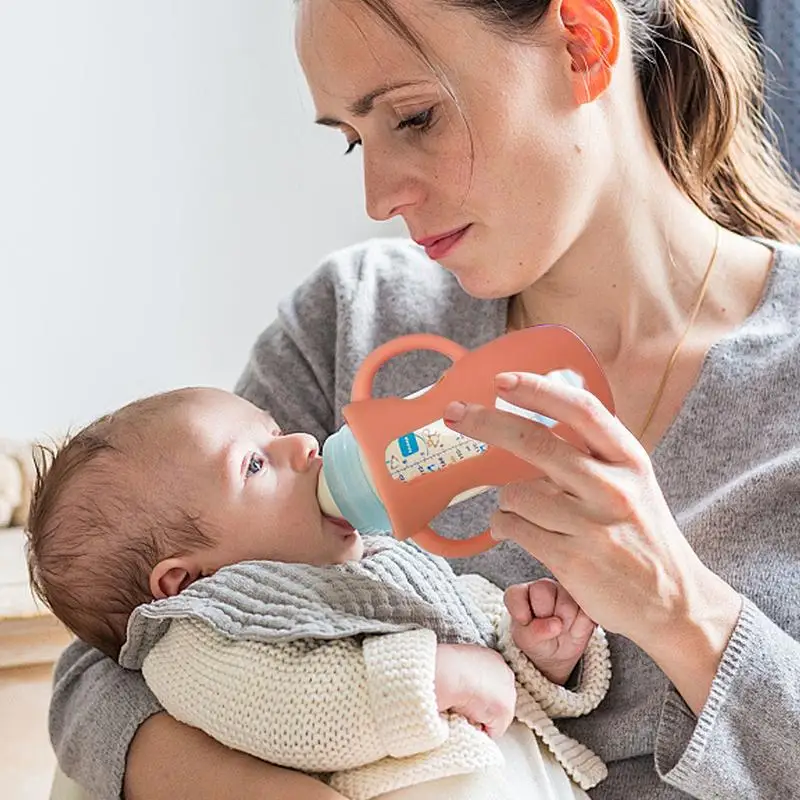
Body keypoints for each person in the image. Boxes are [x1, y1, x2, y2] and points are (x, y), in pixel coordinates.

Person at [48, 1, 800, 798]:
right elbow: (112, 663)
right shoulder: (352, 320)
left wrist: (684, 614)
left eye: (414, 117)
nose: (377, 197)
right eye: (352, 139)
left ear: (582, 40)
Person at [28, 386, 610, 799]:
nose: (305, 444)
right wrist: (439, 676)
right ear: (186, 581)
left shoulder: (371, 561)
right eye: (255, 465)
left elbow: (472, 637)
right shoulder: (202, 634)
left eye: (275, 432)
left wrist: (535, 655)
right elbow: (293, 709)